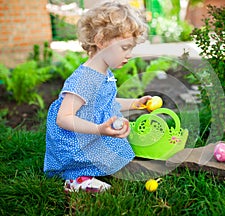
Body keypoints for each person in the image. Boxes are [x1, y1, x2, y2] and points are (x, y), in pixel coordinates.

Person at [44, 0, 150, 193]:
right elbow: (63, 118)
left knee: (115, 148)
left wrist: (135, 104)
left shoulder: (103, 72)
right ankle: (75, 177)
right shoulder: (85, 79)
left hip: (90, 132)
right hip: (74, 142)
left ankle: (94, 167)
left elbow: (105, 102)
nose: (130, 54)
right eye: (125, 47)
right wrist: (99, 129)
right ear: (101, 41)